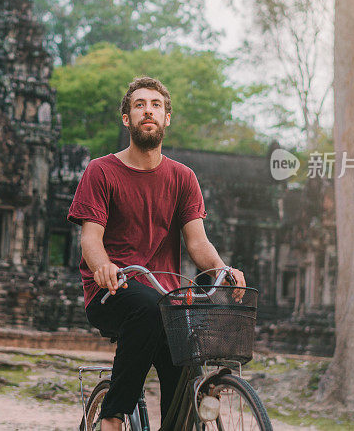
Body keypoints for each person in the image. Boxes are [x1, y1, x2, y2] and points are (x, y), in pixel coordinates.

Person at [68, 77, 246, 431]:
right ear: (126, 118)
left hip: (167, 298)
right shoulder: (101, 171)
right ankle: (112, 417)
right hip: (112, 292)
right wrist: (103, 267)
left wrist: (222, 269)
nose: (147, 110)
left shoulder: (183, 177)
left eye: (155, 105)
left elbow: (197, 243)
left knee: (188, 359)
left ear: (167, 118)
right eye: (139, 105)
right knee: (148, 308)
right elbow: (91, 238)